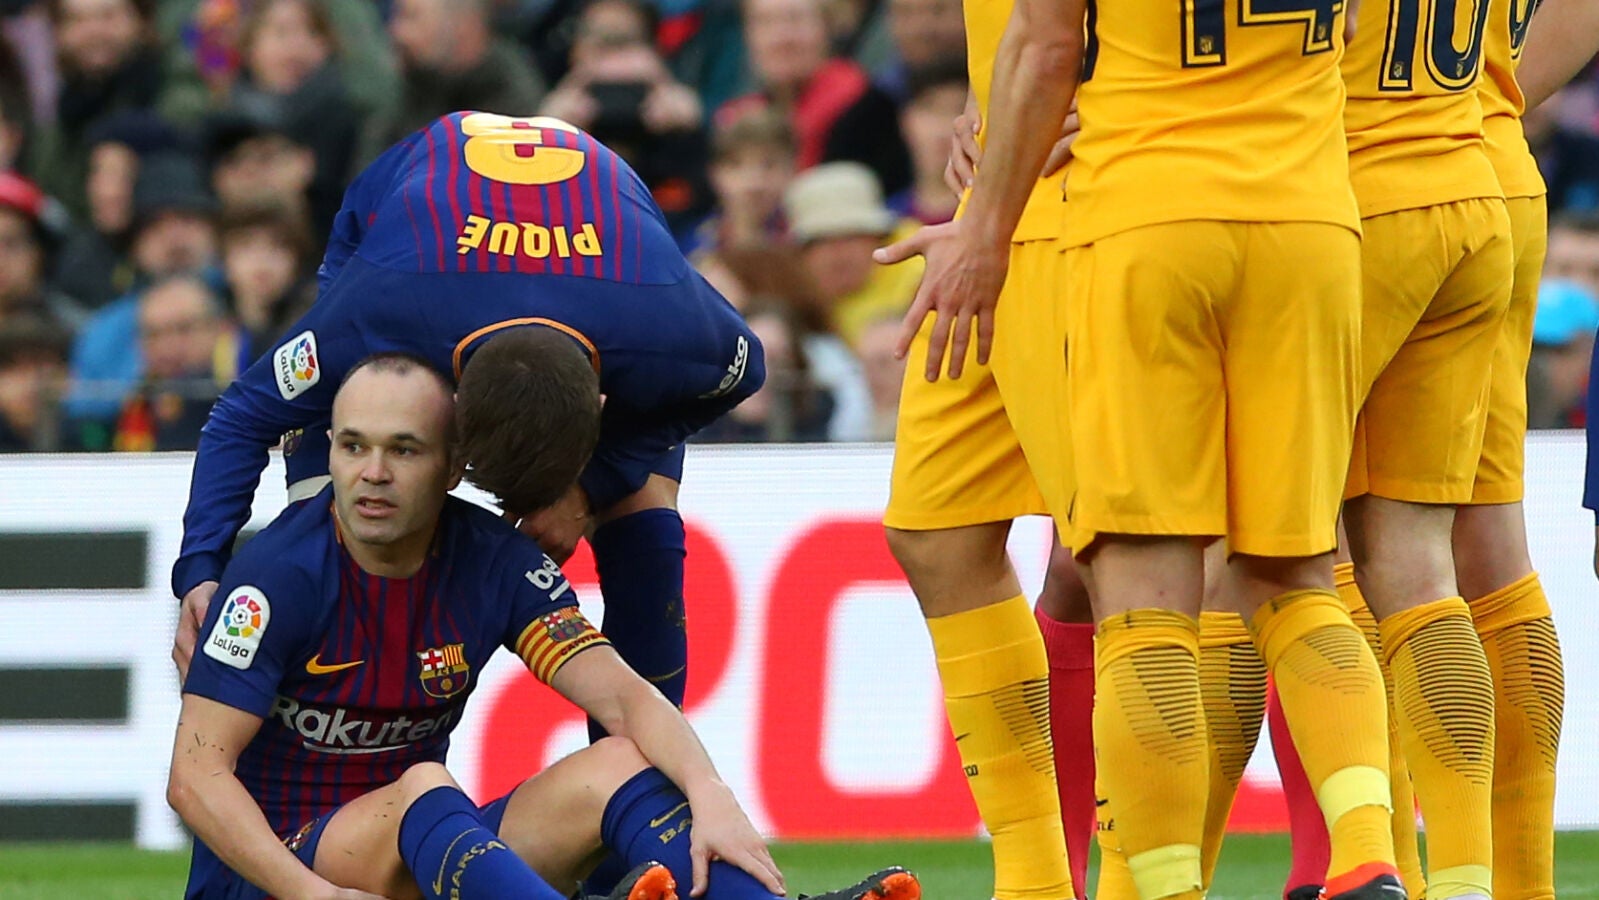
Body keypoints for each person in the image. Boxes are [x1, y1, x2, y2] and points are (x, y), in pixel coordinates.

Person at [892, 0, 1405, 897]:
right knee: (1287, 573)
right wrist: (996, 99)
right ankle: (1369, 853)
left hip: (1105, 214)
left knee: (1137, 589)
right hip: (1299, 216)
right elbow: (1353, 30)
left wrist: (1055, 114)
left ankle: (1148, 885)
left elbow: (1049, 39)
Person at [169, 351, 917, 900]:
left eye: (404, 450)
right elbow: (194, 779)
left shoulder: (493, 560)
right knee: (425, 784)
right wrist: (310, 894)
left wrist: (710, 789)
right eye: (352, 445)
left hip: (427, 852)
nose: (373, 473)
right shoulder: (275, 577)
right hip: (277, 877)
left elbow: (623, 696)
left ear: (453, 468)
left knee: (618, 762)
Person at [169, 114, 765, 788]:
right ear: (452, 428)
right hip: (415, 241)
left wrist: (590, 489)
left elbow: (743, 374)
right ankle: (337, 788)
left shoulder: (672, 334)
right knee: (340, 531)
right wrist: (200, 572)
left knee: (645, 534)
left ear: (601, 407)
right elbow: (243, 414)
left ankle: (640, 805)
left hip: (605, 283)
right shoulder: (380, 308)